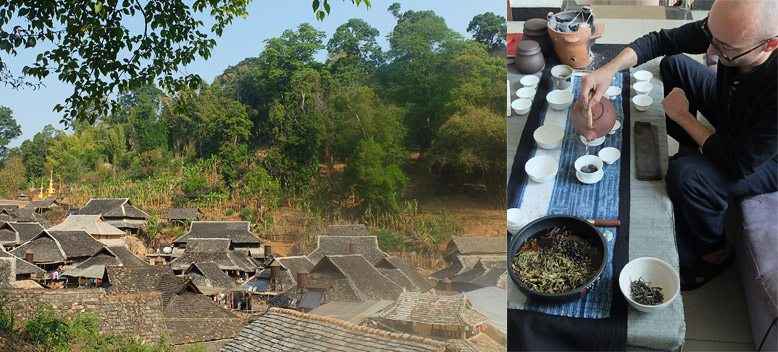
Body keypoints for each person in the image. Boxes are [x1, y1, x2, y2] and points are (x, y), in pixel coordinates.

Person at [581, 0, 777, 290]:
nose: (710, 52)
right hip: (733, 115)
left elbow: (740, 161)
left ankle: (716, 252)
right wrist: (607, 70)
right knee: (674, 62)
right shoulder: (727, 32)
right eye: (711, 38)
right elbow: (659, 41)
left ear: (770, 45)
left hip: (764, 159)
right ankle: (690, 149)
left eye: (724, 49)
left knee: (687, 175)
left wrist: (684, 118)